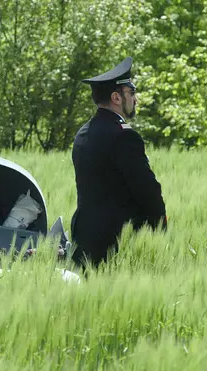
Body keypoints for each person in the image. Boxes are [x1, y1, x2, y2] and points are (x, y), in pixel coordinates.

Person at [69, 56, 167, 268]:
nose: (135, 99)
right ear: (116, 97)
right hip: (117, 242)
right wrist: (160, 230)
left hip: (84, 236)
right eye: (131, 92)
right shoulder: (124, 136)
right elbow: (147, 190)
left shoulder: (82, 133)